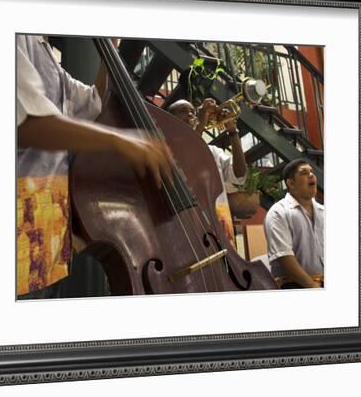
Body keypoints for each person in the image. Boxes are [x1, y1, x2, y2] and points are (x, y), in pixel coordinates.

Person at [16, 35, 172, 299]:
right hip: (18, 234)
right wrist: (118, 140)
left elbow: (93, 101)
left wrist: (109, 48)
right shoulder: (14, 35)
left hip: (48, 243)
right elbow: (29, 122)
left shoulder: (46, 57)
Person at [167, 98, 246, 244]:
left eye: (192, 111)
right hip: (191, 234)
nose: (191, 114)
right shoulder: (167, 148)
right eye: (183, 111)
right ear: (170, 120)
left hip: (223, 230)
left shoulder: (213, 151)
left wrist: (232, 131)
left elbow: (239, 174)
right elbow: (189, 152)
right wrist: (202, 116)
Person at [264, 158, 324, 289]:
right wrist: (313, 287)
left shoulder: (324, 211)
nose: (311, 175)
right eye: (304, 172)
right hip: (294, 287)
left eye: (311, 171)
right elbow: (284, 256)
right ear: (291, 183)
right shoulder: (278, 213)